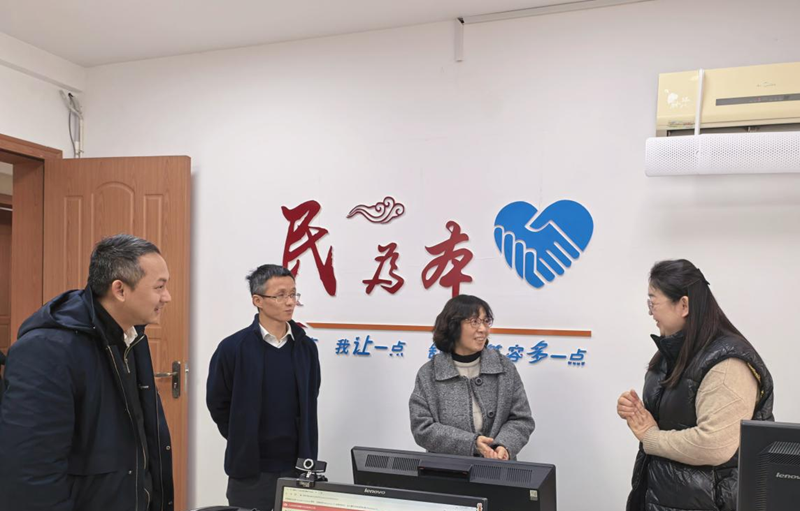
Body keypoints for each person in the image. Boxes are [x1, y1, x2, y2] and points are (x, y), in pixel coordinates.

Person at [0, 234, 174, 511]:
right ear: (120, 289)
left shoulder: (131, 336)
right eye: (159, 287)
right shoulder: (46, 351)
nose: (167, 297)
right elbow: (30, 471)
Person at [618, 259, 774, 511]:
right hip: (665, 497)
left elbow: (714, 444)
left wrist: (650, 436)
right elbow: (671, 417)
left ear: (683, 305)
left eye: (653, 302)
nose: (650, 312)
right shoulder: (674, 351)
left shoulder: (727, 364)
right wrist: (636, 412)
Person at [207, 264, 321, 511]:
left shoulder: (306, 348)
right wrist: (242, 435)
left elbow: (312, 394)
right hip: (251, 470)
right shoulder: (233, 348)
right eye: (280, 295)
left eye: (293, 294)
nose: (290, 302)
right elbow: (218, 403)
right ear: (257, 300)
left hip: (297, 467)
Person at [409, 294, 535, 459]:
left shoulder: (504, 367)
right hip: (446, 469)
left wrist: (503, 445)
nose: (483, 329)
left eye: (486, 321)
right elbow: (422, 428)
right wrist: (471, 443)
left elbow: (522, 419)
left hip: (497, 468)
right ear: (453, 326)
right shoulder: (429, 373)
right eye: (474, 321)